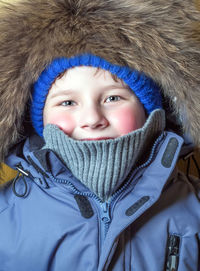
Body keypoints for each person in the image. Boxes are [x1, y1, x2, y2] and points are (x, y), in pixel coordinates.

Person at [0, 0, 200, 270]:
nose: (92, 119)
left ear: (150, 109)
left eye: (113, 97)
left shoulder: (194, 206)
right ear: (38, 120)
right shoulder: (6, 214)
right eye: (67, 103)